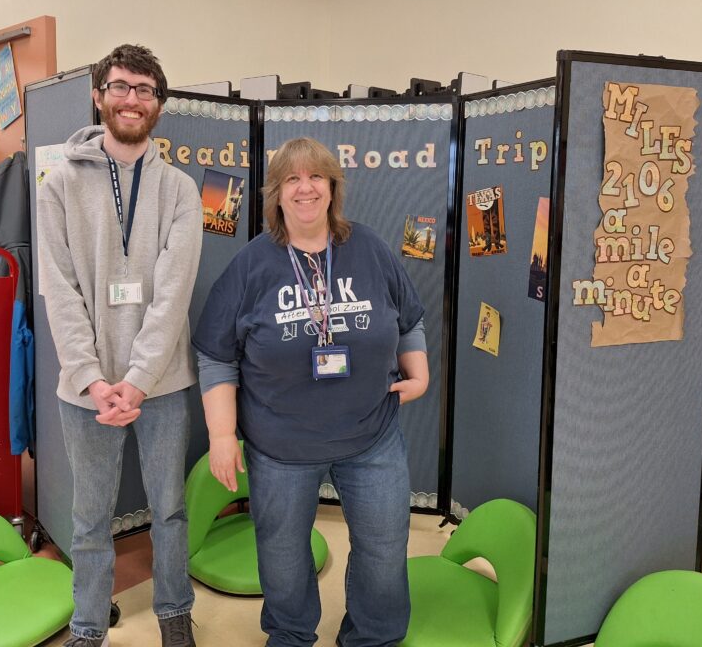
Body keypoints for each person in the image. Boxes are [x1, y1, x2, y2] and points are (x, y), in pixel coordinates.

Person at [193, 137, 429, 647]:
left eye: (316, 177)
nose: (306, 188)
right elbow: (216, 353)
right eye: (293, 179)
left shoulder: (368, 248)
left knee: (384, 549)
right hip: (281, 446)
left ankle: (374, 636)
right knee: (281, 554)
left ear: (333, 187)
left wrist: (420, 373)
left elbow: (409, 317)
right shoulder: (251, 266)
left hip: (372, 437)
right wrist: (220, 434)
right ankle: (291, 636)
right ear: (276, 194)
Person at [37, 44, 203, 647]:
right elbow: (60, 289)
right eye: (121, 86)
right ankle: (87, 622)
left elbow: (173, 293)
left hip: (161, 386)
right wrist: (91, 377)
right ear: (98, 94)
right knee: (88, 520)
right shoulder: (57, 185)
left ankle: (173, 609)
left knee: (170, 509)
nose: (132, 99)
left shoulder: (181, 189)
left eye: (145, 89)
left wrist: (137, 379)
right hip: (86, 391)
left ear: (159, 103)